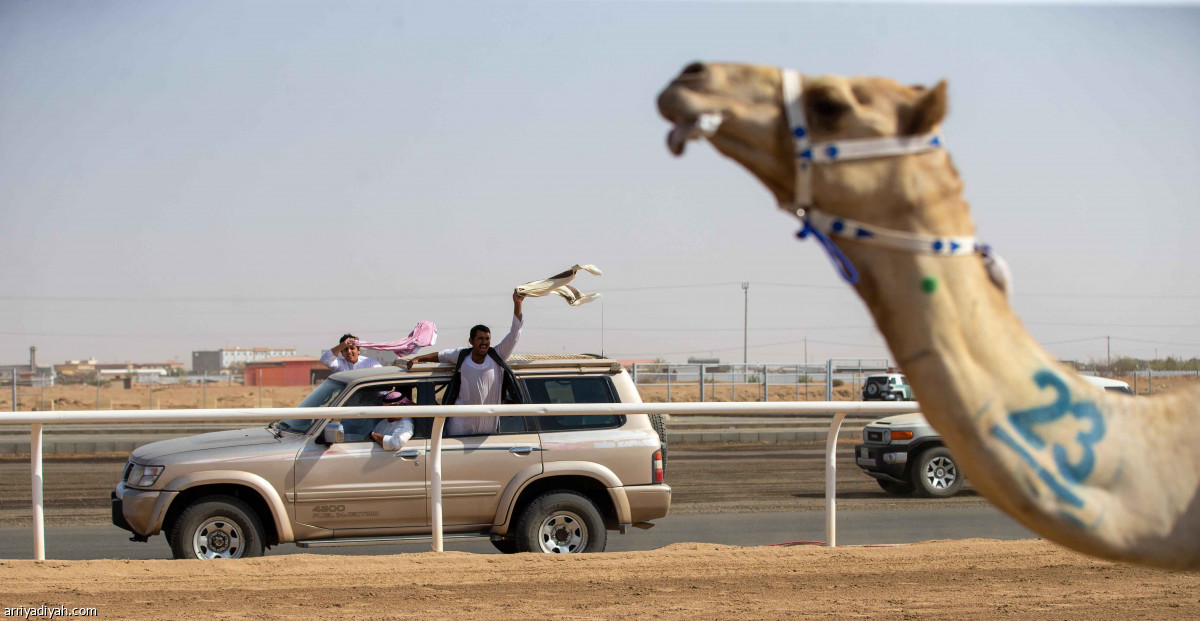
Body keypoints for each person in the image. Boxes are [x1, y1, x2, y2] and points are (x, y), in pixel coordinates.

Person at [405, 290, 525, 436]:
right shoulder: (462, 356)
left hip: (487, 429)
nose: (484, 342)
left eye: (487, 339)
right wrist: (418, 359)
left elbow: (515, 333)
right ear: (471, 341)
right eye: (480, 339)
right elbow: (441, 355)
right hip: (459, 427)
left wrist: (517, 304)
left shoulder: (498, 355)